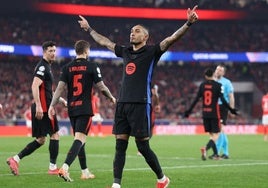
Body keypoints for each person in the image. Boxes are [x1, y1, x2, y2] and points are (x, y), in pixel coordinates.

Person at [78, 5, 198, 188]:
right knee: (120, 146)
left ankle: (162, 179)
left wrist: (188, 24)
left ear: (145, 37)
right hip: (123, 103)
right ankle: (116, 184)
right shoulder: (125, 51)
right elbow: (105, 42)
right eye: (132, 31)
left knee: (142, 146)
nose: (132, 33)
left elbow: (171, 39)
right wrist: (89, 29)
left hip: (141, 103)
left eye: (137, 31)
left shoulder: (152, 51)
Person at [48, 40, 116, 182]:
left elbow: (59, 89)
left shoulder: (67, 68)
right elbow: (102, 87)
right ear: (86, 51)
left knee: (79, 139)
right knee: (80, 139)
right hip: (85, 108)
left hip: (72, 108)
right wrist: (111, 97)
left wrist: (52, 105)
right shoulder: (92, 66)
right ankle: (65, 168)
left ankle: (85, 171)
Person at [7, 41, 67, 176]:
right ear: (44, 51)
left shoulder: (46, 67)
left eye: (54, 51)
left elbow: (46, 90)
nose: (53, 53)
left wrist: (61, 99)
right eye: (50, 51)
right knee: (55, 135)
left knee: (41, 139)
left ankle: (15, 159)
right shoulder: (43, 67)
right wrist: (39, 105)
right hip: (44, 108)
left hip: (43, 106)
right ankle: (52, 168)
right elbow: (34, 85)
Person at [184, 68, 238, 161]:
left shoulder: (202, 85)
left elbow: (196, 99)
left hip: (205, 113)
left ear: (205, 76)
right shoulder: (218, 85)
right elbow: (224, 101)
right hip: (215, 113)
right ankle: (205, 148)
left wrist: (188, 111)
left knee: (211, 135)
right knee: (216, 135)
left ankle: (216, 154)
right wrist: (231, 110)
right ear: (213, 74)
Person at [214, 64, 235, 159]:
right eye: (217, 69)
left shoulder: (227, 82)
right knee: (220, 130)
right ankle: (225, 153)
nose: (218, 71)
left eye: (220, 70)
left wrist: (232, 109)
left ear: (223, 73)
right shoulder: (212, 81)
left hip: (223, 107)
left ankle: (217, 152)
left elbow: (231, 96)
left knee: (220, 129)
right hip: (214, 107)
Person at [137, 84, 161, 156]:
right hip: (147, 116)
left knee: (149, 134)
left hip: (151, 116)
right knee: (146, 133)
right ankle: (141, 149)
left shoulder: (153, 96)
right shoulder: (148, 95)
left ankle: (142, 149)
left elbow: (157, 106)